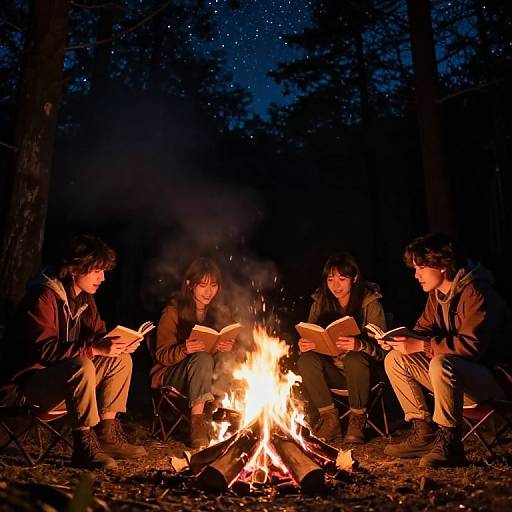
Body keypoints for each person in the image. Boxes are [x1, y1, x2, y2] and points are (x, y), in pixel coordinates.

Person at [0, 234, 146, 470]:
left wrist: (118, 345)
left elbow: (99, 335)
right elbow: (44, 350)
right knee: (82, 364)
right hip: (27, 386)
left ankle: (106, 433)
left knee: (120, 359)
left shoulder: (85, 299)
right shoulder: (43, 297)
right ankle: (83, 444)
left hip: (62, 381)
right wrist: (95, 348)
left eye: (104, 271)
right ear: (75, 268)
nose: (103, 277)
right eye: (97, 270)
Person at [383, 233, 512, 468]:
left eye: (420, 267)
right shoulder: (437, 295)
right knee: (396, 358)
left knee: (442, 363)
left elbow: (471, 347)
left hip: (495, 380)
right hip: (457, 379)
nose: (416, 275)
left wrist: (421, 345)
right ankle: (423, 432)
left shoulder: (477, 293)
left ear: (441, 265)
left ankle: (450, 444)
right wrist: (399, 340)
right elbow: (422, 330)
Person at [297, 253, 387, 445]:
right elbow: (310, 332)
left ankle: (357, 420)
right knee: (306, 359)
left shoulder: (370, 303)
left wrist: (359, 345)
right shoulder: (320, 303)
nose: (335, 285)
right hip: (333, 372)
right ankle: (330, 419)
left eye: (342, 279)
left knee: (354, 357)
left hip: (364, 373)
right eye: (330, 280)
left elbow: (383, 349)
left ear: (354, 278)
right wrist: (306, 344)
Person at [150, 257, 235, 449]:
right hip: (173, 375)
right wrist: (184, 349)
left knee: (227, 357)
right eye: (203, 285)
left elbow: (228, 344)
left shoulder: (218, 312)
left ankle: (227, 411)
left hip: (205, 375)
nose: (209, 291)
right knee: (203, 358)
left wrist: (228, 347)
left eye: (214, 285)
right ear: (189, 284)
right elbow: (161, 355)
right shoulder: (173, 311)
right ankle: (197, 422)